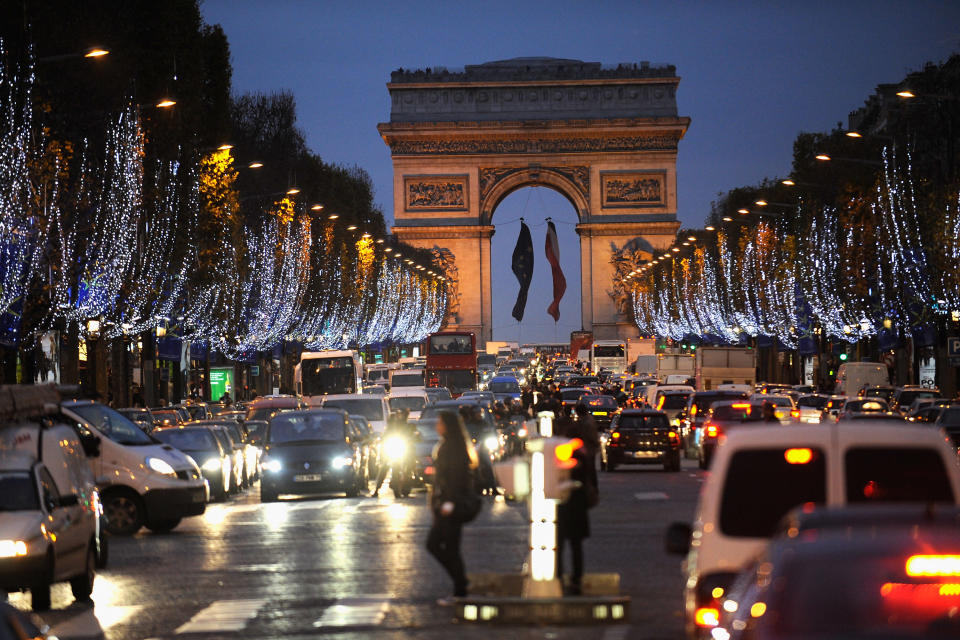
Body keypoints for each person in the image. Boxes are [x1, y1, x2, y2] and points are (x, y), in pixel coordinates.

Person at [427, 411, 478, 603]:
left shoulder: (452, 448)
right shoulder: (450, 445)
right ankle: (461, 584)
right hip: (445, 503)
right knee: (446, 547)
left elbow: (456, 479)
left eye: (440, 423)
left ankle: (461, 587)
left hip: (450, 505)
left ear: (447, 425)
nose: (437, 426)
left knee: (440, 545)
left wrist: (448, 503)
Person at [556, 418, 595, 595]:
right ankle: (576, 578)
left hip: (565, 504)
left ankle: (558, 576)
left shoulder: (568, 454)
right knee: (575, 545)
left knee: (560, 544)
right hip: (578, 505)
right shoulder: (584, 453)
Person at [372, 408, 413, 497]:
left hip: (402, 449)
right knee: (384, 468)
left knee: (409, 464)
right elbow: (385, 436)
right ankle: (376, 490)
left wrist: (411, 440)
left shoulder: (406, 425)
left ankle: (405, 484)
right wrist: (384, 442)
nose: (400, 416)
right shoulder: (391, 425)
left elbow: (410, 436)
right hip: (390, 448)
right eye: (399, 415)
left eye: (402, 415)